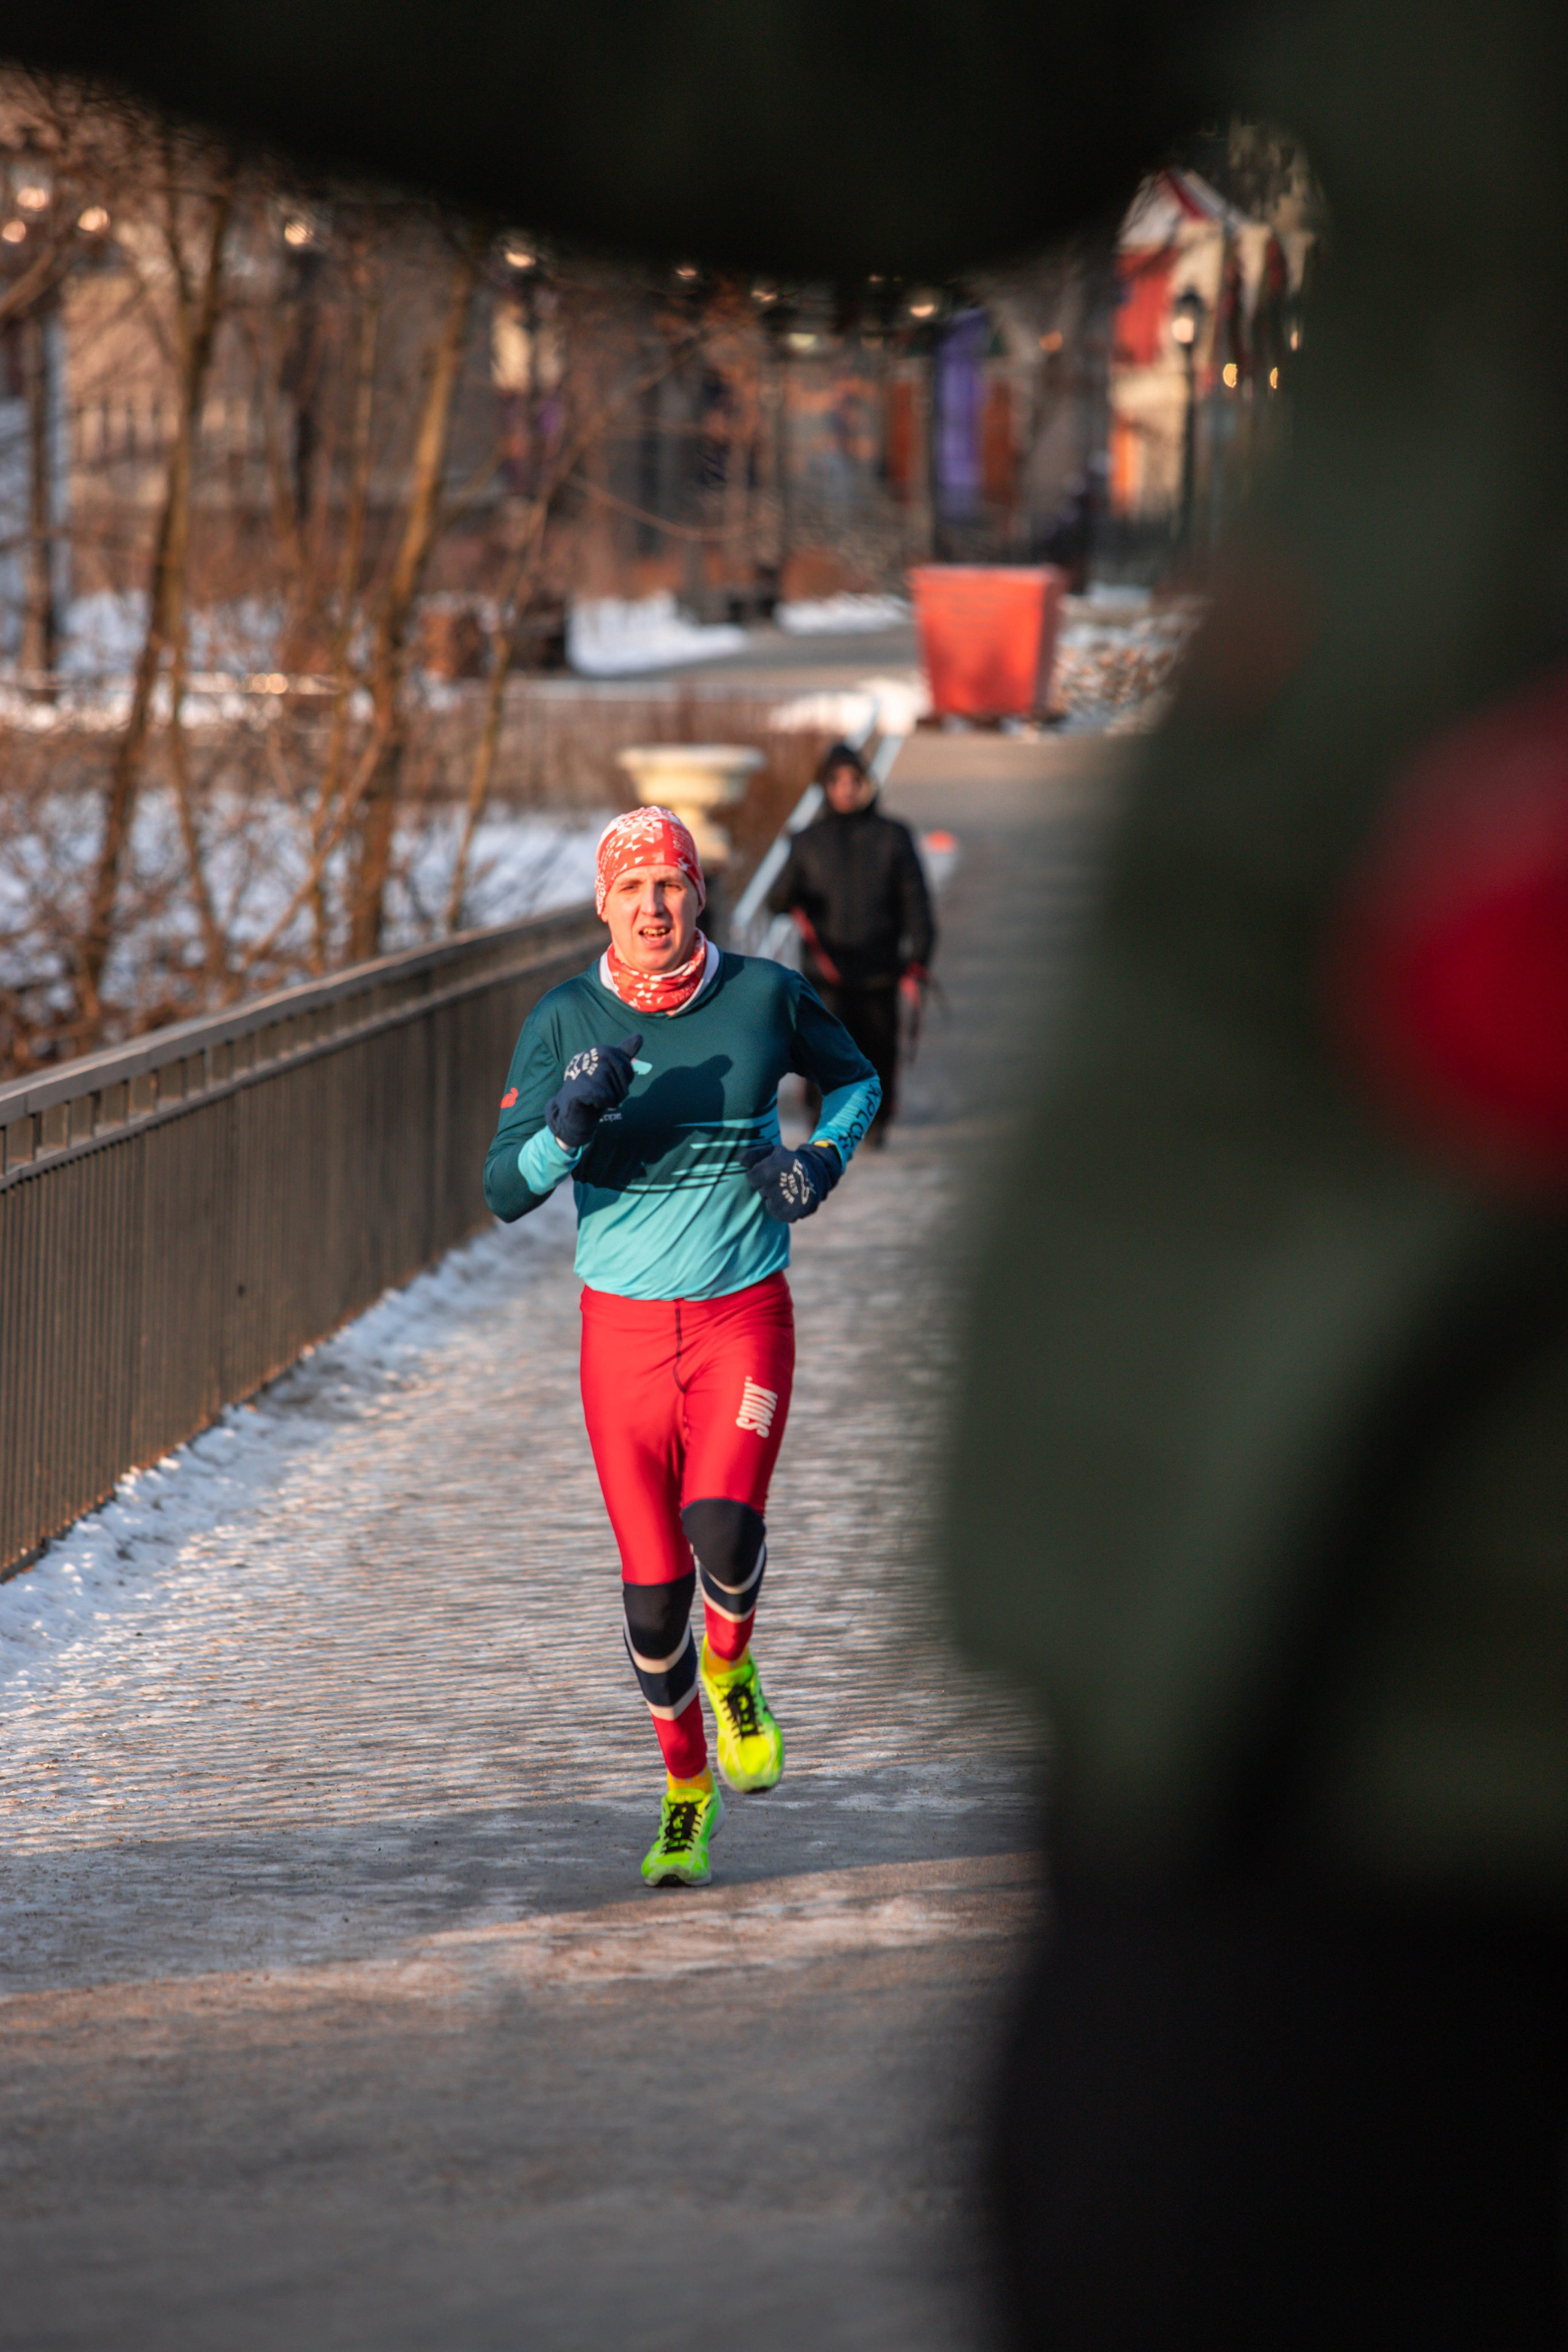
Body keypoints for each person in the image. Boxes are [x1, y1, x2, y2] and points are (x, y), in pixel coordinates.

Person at [484, 805, 880, 1888]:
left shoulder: (763, 995)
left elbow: (856, 1080)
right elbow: (501, 1191)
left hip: (740, 1314)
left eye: (671, 885)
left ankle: (735, 1662)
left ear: (698, 894)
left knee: (721, 1524)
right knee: (653, 1590)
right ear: (604, 906)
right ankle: (686, 1790)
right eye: (632, 890)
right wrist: (566, 1126)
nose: (653, 906)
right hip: (618, 1337)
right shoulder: (565, 1018)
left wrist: (820, 1161)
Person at [767, 739, 935, 1144]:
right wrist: (795, 895)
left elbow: (917, 902)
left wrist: (920, 955)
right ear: (824, 787)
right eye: (836, 780)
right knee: (823, 1053)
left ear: (866, 783)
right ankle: (822, 1123)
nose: (845, 788)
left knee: (878, 1052)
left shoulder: (894, 836)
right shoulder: (807, 841)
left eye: (853, 780)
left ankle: (875, 1125)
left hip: (880, 969)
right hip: (826, 972)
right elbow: (777, 899)